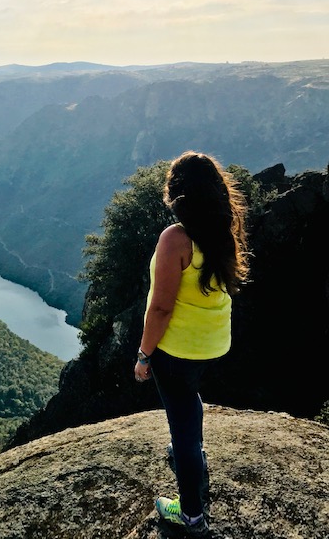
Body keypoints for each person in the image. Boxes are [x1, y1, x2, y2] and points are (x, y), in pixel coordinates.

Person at [134, 150, 249, 536]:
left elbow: (161, 308)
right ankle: (193, 454)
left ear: (177, 194)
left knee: (180, 422)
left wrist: (144, 354)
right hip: (213, 343)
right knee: (189, 400)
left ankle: (191, 516)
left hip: (178, 350)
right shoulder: (222, 229)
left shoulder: (175, 239)